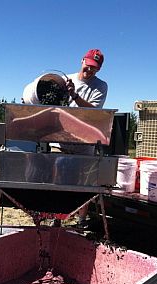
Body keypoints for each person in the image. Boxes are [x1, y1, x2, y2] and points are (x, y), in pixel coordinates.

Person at [57, 48, 108, 228]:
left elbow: (92, 112)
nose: (89, 70)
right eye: (88, 65)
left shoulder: (101, 86)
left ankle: (81, 221)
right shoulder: (65, 80)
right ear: (82, 61)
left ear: (98, 69)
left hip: (84, 141)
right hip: (62, 139)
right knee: (59, 180)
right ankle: (57, 218)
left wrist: (75, 96)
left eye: (94, 68)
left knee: (83, 183)